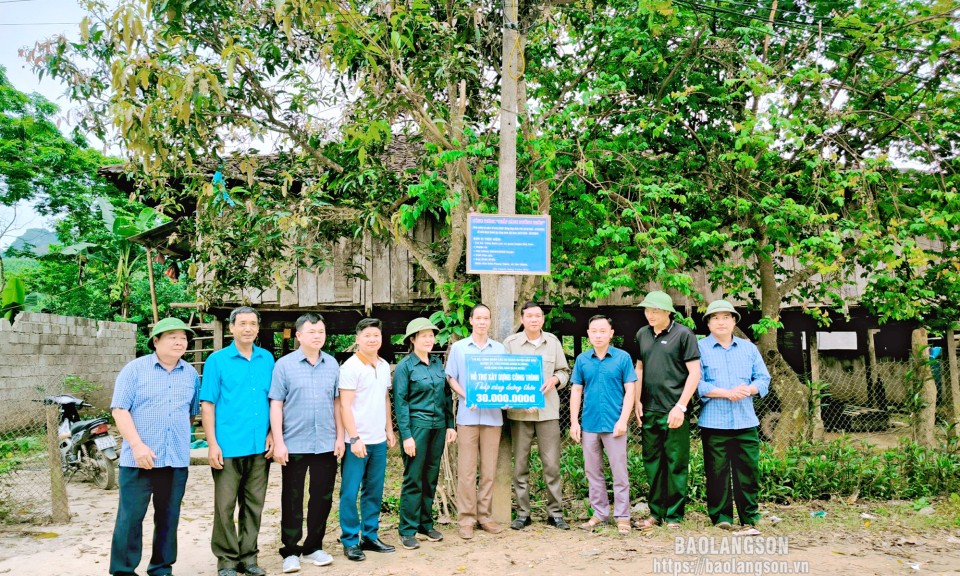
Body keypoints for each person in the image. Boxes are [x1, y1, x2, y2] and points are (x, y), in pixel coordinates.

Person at [109, 318, 200, 576]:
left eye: (182, 337)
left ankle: (161, 568)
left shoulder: (191, 374)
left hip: (175, 460)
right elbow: (119, 410)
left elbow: (190, 415)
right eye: (171, 336)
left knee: (169, 519)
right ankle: (123, 571)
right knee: (130, 519)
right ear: (156, 341)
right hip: (139, 459)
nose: (179, 341)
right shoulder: (135, 369)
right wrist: (137, 445)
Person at [200, 307, 275, 576]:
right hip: (228, 445)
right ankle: (227, 560)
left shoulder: (267, 359)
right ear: (231, 327)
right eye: (242, 323)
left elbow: (274, 401)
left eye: (253, 324)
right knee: (225, 505)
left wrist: (272, 435)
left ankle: (249, 557)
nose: (248, 328)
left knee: (254, 504)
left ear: (258, 328)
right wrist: (212, 444)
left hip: (259, 447)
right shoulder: (217, 361)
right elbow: (207, 404)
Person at [269, 313, 344, 573]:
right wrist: (279, 442)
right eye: (312, 331)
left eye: (321, 331)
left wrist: (340, 437)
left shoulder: (332, 364)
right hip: (294, 442)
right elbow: (276, 404)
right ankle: (290, 550)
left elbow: (337, 403)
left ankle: (314, 546)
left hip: (325, 441)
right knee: (292, 497)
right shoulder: (284, 365)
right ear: (299, 335)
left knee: (322, 497)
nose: (317, 335)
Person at [697, 300, 771, 530]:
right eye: (715, 318)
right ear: (708, 323)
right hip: (714, 423)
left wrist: (748, 389)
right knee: (717, 472)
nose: (721, 322)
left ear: (734, 322)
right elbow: (695, 383)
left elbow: (763, 379)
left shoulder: (748, 348)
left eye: (726, 317)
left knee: (748, 471)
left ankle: (750, 515)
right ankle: (721, 518)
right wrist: (726, 393)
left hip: (745, 421)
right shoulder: (699, 348)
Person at [634, 291, 701, 530]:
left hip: (674, 410)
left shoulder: (684, 335)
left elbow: (695, 373)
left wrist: (681, 406)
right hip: (649, 409)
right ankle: (655, 513)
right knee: (652, 462)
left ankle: (674, 516)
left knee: (676, 463)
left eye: (655, 311)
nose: (650, 315)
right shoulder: (642, 334)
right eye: (647, 310)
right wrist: (636, 401)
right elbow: (639, 369)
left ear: (667, 312)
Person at [503, 302, 571, 530]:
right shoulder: (511, 344)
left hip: (548, 413)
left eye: (538, 316)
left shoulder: (552, 342)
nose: (534, 319)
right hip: (520, 414)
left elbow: (564, 371)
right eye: (529, 316)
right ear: (522, 319)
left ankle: (555, 514)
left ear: (543, 319)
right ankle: (523, 513)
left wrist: (555, 380)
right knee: (520, 465)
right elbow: (503, 377)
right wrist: (520, 399)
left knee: (551, 465)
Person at [569, 314, 637, 535]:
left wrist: (623, 420)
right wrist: (573, 421)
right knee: (592, 471)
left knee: (619, 472)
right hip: (589, 424)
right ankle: (599, 514)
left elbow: (630, 391)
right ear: (588, 334)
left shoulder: (622, 358)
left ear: (611, 334)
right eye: (594, 331)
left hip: (614, 424)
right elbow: (576, 390)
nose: (598, 335)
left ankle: (623, 516)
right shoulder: (582, 359)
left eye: (602, 331)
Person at [393, 317, 457, 551]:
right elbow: (400, 403)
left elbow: (447, 397)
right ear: (413, 340)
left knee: (430, 477)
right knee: (413, 478)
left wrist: (450, 425)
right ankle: (407, 529)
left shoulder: (438, 364)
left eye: (432, 335)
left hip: (439, 427)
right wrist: (407, 436)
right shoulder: (405, 367)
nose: (430, 340)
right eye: (424, 336)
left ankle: (424, 524)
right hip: (417, 427)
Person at [337, 318, 397, 561]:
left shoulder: (383, 365)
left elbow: (384, 398)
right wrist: (354, 437)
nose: (372, 339)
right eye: (367, 336)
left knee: (374, 490)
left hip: (378, 439)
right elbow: (345, 405)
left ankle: (370, 536)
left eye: (376, 335)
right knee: (350, 492)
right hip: (357, 441)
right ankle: (350, 539)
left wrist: (389, 430)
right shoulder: (350, 367)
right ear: (357, 339)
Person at [445, 303, 506, 539]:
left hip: (493, 418)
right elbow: (451, 378)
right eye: (478, 318)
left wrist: (506, 397)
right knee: (467, 470)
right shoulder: (459, 348)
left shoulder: (499, 350)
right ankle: (466, 519)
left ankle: (485, 517)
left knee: (489, 470)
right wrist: (465, 395)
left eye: (486, 318)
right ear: (470, 320)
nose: (482, 322)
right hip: (467, 417)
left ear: (490, 321)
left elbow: (504, 381)